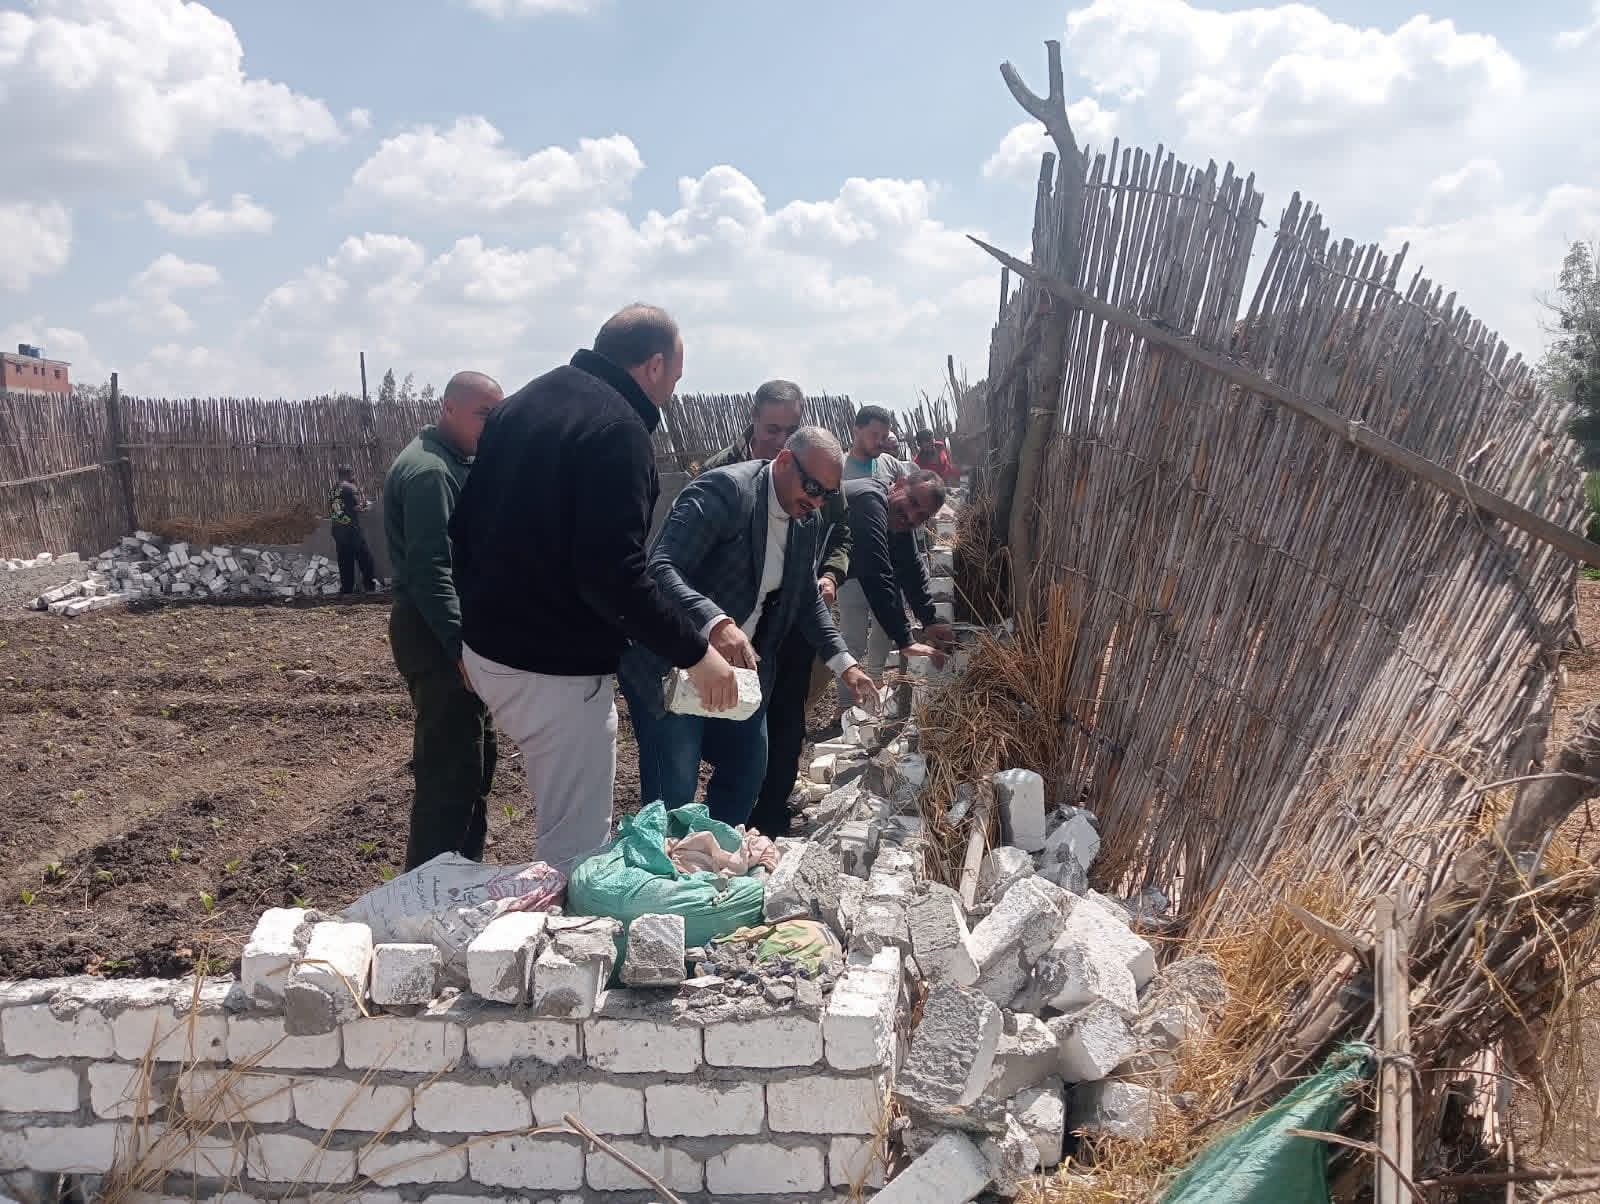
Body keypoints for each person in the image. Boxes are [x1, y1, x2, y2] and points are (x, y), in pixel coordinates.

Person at [450, 305, 739, 874]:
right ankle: (558, 927)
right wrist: (696, 653)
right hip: (555, 672)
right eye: (675, 379)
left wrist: (468, 630)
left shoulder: (522, 404)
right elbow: (613, 574)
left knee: (559, 820)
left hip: (488, 652)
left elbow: (464, 528)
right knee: (574, 856)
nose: (672, 395)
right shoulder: (618, 430)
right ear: (653, 365)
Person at [618, 427, 878, 826]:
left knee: (746, 773)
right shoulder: (725, 493)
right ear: (785, 462)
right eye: (812, 488)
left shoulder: (805, 519)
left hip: (742, 672)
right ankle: (666, 861)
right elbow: (661, 568)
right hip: (675, 664)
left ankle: (714, 856)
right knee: (674, 789)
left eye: (827, 494)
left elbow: (806, 598)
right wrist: (716, 622)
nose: (816, 502)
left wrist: (845, 664)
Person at [697, 385, 853, 836]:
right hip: (722, 635)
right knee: (708, 736)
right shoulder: (721, 476)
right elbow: (678, 564)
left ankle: (766, 821)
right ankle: (710, 829)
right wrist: (714, 621)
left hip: (789, 627)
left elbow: (841, 533)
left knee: (781, 727)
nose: (780, 440)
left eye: (790, 429)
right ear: (753, 420)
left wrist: (830, 574)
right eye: (772, 429)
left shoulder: (816, 480)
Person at [383, 372, 506, 870]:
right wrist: (458, 648)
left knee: (475, 763)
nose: (491, 426)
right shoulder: (429, 472)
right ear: (449, 408)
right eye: (483, 415)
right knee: (450, 773)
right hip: (434, 634)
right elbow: (430, 569)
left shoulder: (455, 461)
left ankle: (461, 875)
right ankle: (429, 890)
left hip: (453, 631)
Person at [835, 470, 957, 706]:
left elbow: (911, 568)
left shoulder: (898, 521)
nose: (911, 516)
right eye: (912, 502)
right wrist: (905, 640)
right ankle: (844, 706)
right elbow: (877, 572)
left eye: (921, 516)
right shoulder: (869, 501)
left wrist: (929, 621)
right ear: (899, 485)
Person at [329, 464, 378, 594]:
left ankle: (347, 590)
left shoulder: (333, 489)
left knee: (345, 561)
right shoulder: (349, 488)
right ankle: (369, 586)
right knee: (365, 558)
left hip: (337, 529)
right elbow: (358, 507)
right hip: (351, 528)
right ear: (349, 474)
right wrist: (367, 505)